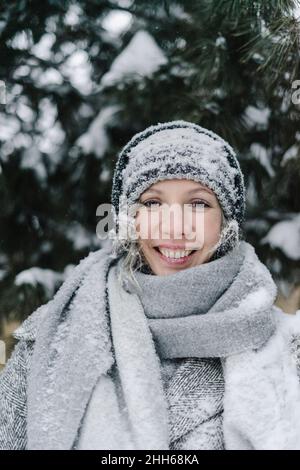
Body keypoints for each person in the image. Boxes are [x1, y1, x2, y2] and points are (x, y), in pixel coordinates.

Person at [1, 120, 300, 450]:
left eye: (198, 204)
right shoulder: (51, 338)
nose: (174, 228)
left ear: (226, 222)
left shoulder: (287, 350)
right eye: (153, 203)